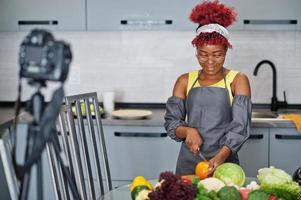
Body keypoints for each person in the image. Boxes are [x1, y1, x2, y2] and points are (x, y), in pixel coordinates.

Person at [164, 0, 252, 176]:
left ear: (226, 51)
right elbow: (171, 123)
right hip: (188, 164)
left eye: (217, 55)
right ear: (196, 52)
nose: (210, 61)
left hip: (225, 165)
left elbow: (240, 128)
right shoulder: (184, 81)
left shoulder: (237, 80)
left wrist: (220, 158)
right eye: (203, 55)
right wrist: (188, 130)